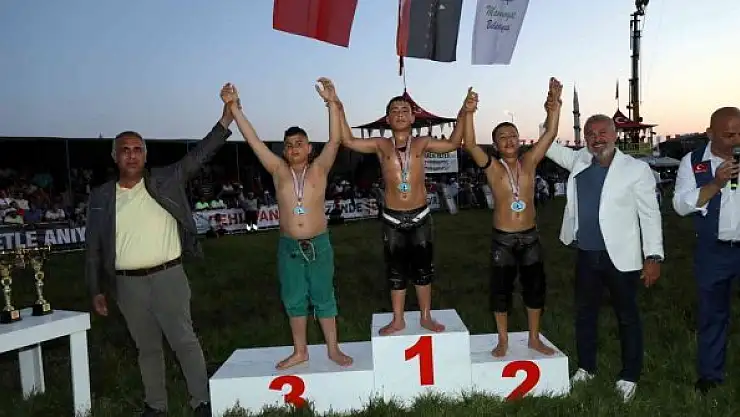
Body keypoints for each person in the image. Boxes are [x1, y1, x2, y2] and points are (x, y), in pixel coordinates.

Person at [84, 84, 236, 417]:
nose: (132, 155)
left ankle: (201, 401)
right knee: (147, 347)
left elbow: (199, 155)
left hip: (169, 276)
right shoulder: (101, 197)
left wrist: (226, 119)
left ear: (146, 155)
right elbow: (93, 247)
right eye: (125, 150)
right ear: (115, 156)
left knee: (184, 340)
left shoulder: (166, 180)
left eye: (138, 149)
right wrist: (95, 289)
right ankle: (156, 406)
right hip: (127, 284)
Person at [224, 79, 352, 370]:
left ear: (309, 148)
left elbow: (335, 140)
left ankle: (333, 349)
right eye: (289, 145)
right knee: (294, 298)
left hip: (319, 244)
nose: (294, 148)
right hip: (289, 248)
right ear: (284, 151)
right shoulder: (277, 169)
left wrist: (331, 102)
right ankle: (300, 351)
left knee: (324, 296)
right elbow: (254, 141)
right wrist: (235, 109)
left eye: (299, 144)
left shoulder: (320, 168)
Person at [544, 113, 663, 402]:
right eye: (590, 134)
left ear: (614, 135)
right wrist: (552, 110)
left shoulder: (635, 169)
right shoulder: (579, 160)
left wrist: (653, 256)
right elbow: (547, 144)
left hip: (622, 257)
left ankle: (629, 376)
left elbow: (650, 215)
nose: (596, 139)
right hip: (586, 253)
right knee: (585, 315)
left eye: (602, 133)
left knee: (627, 317)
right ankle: (586, 368)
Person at [338, 88, 473, 335]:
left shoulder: (422, 143)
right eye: (394, 111)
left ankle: (425, 316)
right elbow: (348, 141)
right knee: (395, 271)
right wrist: (337, 106)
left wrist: (464, 112)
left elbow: (454, 143)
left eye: (404, 110)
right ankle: (398, 319)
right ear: (387, 119)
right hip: (392, 217)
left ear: (413, 117)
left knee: (424, 269)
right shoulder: (381, 144)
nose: (400, 114)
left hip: (420, 216)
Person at [463, 77, 562, 357]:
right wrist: (469, 113)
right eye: (502, 137)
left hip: (530, 237)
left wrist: (554, 106)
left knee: (535, 288)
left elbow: (550, 133)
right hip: (503, 240)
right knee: (501, 290)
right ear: (495, 144)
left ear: (519, 140)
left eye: (513, 135)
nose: (509, 140)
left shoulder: (529, 161)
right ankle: (503, 340)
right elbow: (470, 143)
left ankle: (534, 338)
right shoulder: (492, 166)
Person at [672, 107, 740, 394]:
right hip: (714, 251)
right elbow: (680, 206)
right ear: (710, 133)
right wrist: (715, 184)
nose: (736, 141)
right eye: (729, 135)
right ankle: (711, 376)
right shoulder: (694, 161)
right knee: (713, 314)